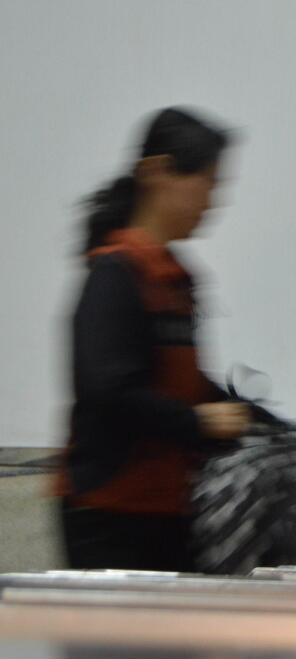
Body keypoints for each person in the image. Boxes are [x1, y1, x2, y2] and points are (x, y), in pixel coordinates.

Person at [57, 107, 249, 571]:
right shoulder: (116, 274)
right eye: (205, 182)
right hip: (110, 511)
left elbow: (178, 383)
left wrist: (251, 417)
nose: (212, 201)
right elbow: (109, 390)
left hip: (169, 507)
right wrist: (199, 422)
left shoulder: (176, 280)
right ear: (158, 172)